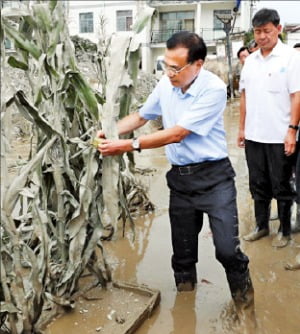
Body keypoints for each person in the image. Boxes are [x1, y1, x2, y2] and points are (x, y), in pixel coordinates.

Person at [98, 31, 255, 322]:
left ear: (198, 64)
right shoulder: (165, 84)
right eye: (165, 65)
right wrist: (110, 131)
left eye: (175, 67)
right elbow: (142, 116)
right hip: (180, 181)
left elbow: (178, 133)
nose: (168, 73)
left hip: (215, 179)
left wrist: (128, 145)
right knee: (182, 253)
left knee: (227, 250)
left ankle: (246, 310)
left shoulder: (214, 89)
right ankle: (185, 312)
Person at [238, 8, 300, 248]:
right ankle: (261, 226)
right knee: (258, 184)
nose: (262, 36)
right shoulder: (251, 61)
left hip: (279, 135)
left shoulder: (291, 58)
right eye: (257, 31)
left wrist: (292, 130)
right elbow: (244, 97)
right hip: (254, 135)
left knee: (282, 185)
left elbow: (297, 96)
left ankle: (285, 230)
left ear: (278, 29)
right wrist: (242, 128)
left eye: (266, 31)